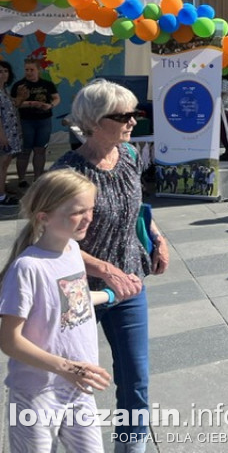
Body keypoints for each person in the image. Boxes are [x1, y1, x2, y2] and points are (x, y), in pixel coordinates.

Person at [53, 79, 170, 451]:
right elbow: (52, 239)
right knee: (73, 380)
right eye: (123, 116)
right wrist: (104, 270)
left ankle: (130, 448)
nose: (133, 121)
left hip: (129, 283)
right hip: (78, 290)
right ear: (93, 121)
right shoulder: (68, 172)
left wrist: (157, 237)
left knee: (136, 380)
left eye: (135, 113)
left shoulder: (130, 155)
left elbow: (135, 207)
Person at [1, 170, 114, 453]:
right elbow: (9, 341)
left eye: (90, 209)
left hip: (78, 386)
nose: (89, 218)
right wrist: (68, 368)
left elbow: (69, 301)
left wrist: (112, 295)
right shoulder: (28, 268)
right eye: (77, 212)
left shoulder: (72, 250)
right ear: (44, 217)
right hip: (36, 394)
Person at [12, 57, 60, 189]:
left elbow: (56, 98)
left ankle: (38, 178)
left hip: (44, 121)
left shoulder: (47, 84)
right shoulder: (19, 85)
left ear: (38, 70)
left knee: (40, 150)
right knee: (24, 151)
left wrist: (50, 105)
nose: (29, 72)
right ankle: (21, 179)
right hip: (26, 121)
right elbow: (14, 103)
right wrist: (31, 103)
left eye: (32, 70)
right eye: (26, 70)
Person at [0, 60, 23, 205]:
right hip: (4, 135)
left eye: (5, 71)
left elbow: (13, 105)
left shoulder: (4, 90)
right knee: (2, 165)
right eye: (0, 72)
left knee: (5, 164)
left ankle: (2, 189)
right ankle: (1, 196)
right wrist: (2, 137)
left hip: (11, 133)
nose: (3, 74)